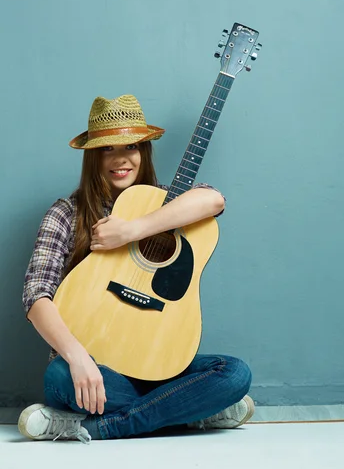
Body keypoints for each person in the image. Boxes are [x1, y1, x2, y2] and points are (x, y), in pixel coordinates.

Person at [18, 94, 254, 443]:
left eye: (131, 146)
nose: (120, 159)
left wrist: (131, 230)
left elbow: (213, 199)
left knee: (235, 374)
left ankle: (95, 426)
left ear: (144, 152)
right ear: (91, 157)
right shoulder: (66, 213)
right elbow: (36, 297)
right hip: (95, 367)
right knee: (59, 376)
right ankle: (188, 413)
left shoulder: (170, 205)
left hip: (161, 363)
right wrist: (78, 357)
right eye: (106, 149)